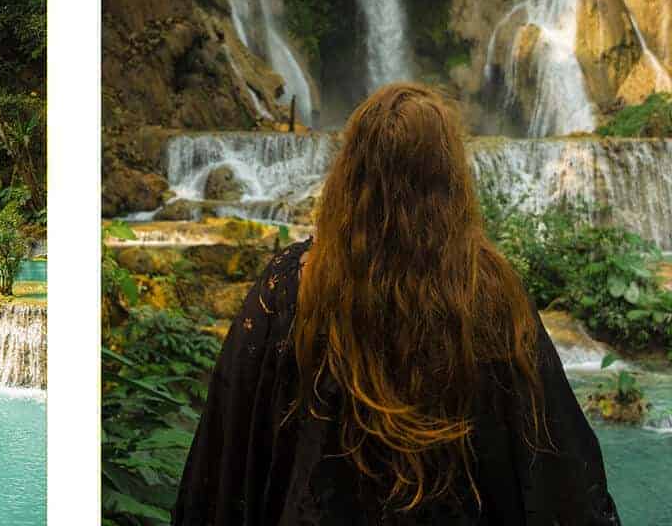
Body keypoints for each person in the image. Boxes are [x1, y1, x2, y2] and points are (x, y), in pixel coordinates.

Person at [173, 83, 619, 525]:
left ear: (350, 172)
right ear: (450, 177)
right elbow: (554, 457)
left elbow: (229, 445)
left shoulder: (291, 285)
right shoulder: (491, 293)